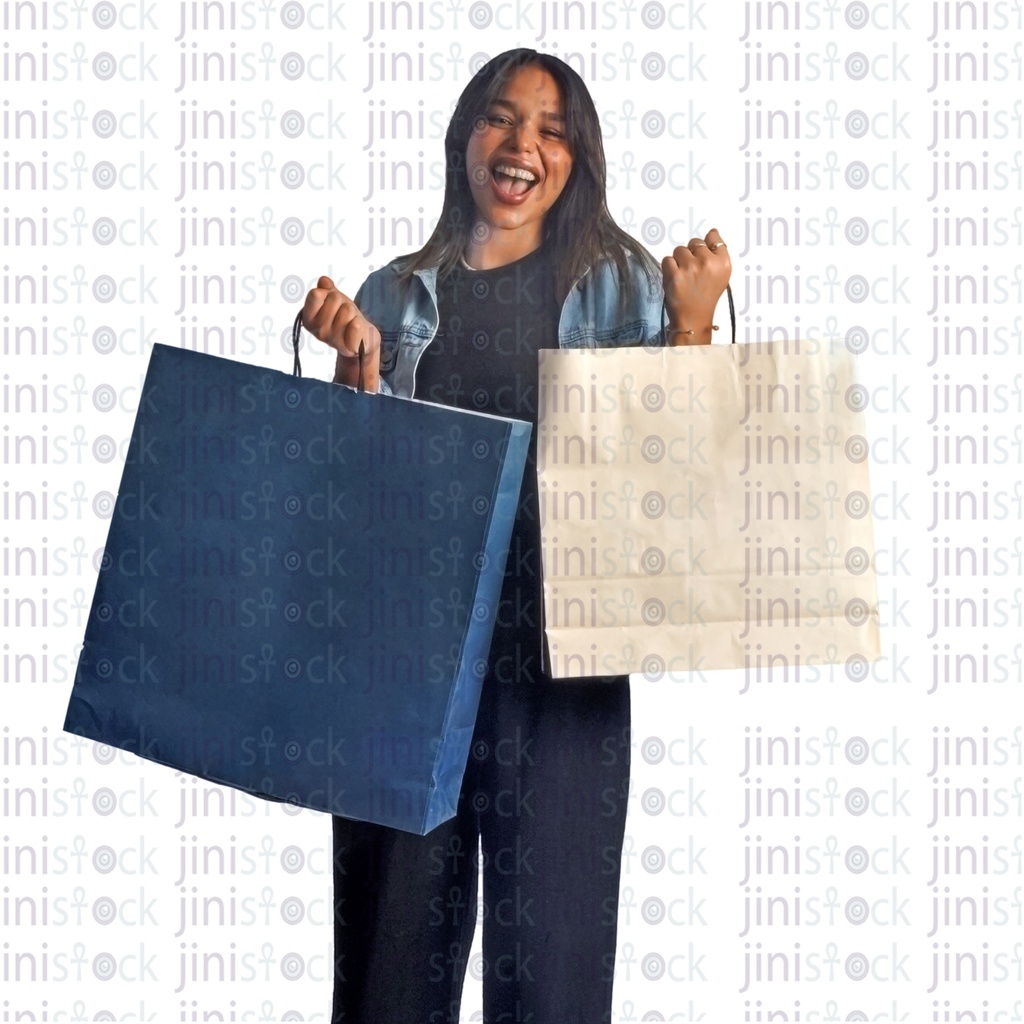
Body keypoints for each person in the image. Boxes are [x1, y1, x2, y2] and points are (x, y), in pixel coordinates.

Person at [300, 48, 730, 1024]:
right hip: (407, 664)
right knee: (386, 964)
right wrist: (356, 370)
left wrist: (692, 327)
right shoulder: (395, 289)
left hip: (563, 667)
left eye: (551, 127)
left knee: (556, 966)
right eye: (501, 118)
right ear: (465, 139)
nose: (522, 143)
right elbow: (352, 492)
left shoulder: (623, 288)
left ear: (577, 157)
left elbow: (684, 478)